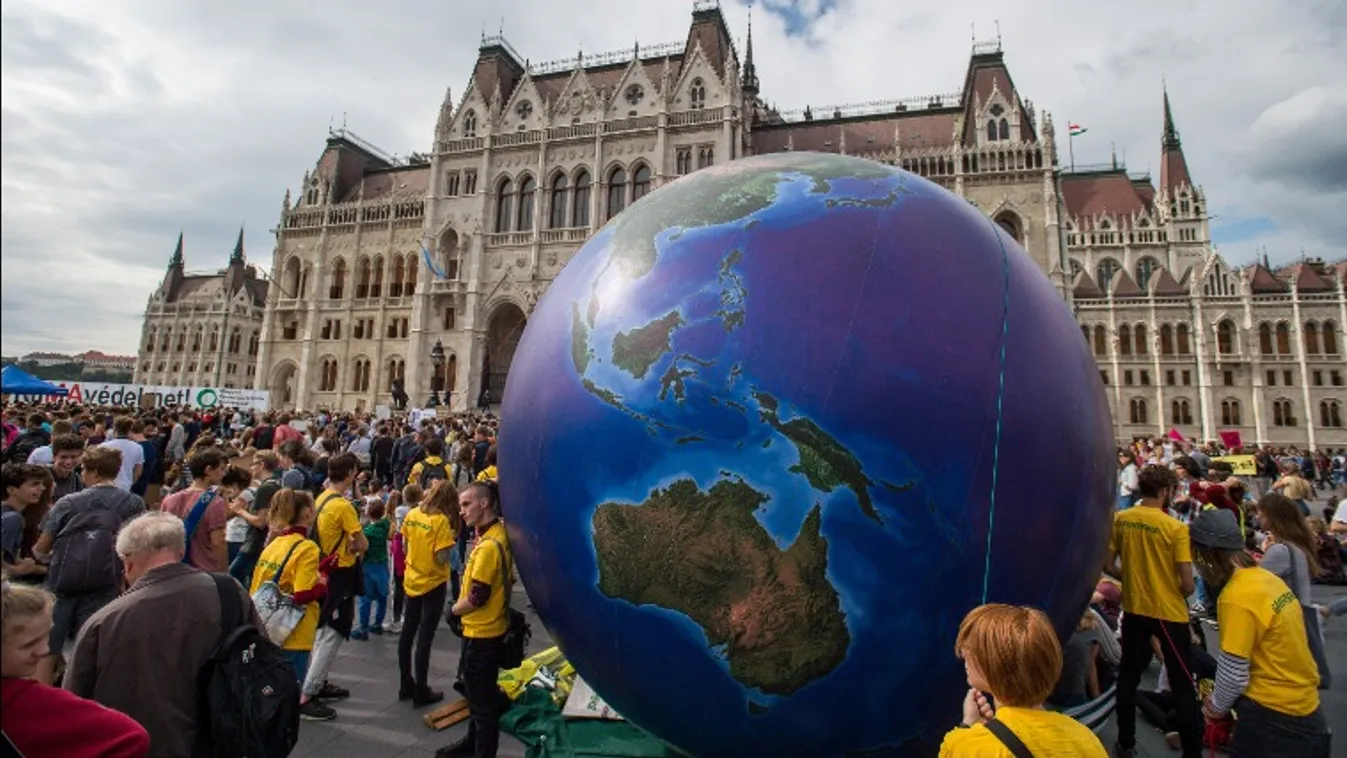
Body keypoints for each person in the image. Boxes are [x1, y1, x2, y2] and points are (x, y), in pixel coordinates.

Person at [64, 512, 264, 758]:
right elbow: (261, 654)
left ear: (127, 562)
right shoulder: (229, 591)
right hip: (221, 738)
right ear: (181, 551)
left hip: (139, 746)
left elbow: (74, 701)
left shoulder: (105, 621)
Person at [1188, 508, 1330, 756]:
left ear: (1207, 555)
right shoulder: (1266, 579)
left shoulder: (1236, 596)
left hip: (1271, 716)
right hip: (1306, 708)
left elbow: (1233, 672)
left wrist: (1215, 707)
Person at [1104, 464, 1201, 758]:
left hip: (1134, 610)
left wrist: (1132, 581)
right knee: (1183, 683)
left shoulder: (1121, 520)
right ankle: (1193, 752)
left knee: (1128, 677)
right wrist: (1172, 589)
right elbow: (1187, 584)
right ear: (1165, 491)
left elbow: (1108, 566)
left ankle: (1126, 742)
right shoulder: (1175, 528)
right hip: (1169, 613)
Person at [32, 447, 146, 686]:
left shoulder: (69, 502)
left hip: (61, 581)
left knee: (48, 644)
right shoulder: (133, 503)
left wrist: (46, 561)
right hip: (105, 580)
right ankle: (78, 696)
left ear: (92, 471)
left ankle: (42, 696)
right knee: (89, 644)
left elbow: (42, 546)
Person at [1, 580, 150, 757]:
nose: (45, 650)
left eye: (46, 637)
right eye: (29, 644)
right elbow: (131, 737)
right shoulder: (28, 702)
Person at [937, 603, 1106, 757]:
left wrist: (967, 725)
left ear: (995, 666)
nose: (964, 653)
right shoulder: (1086, 738)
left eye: (974, 650)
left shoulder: (966, 747)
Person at [438, 481, 511, 758]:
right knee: (478, 697)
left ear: (484, 503)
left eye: (467, 504)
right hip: (487, 630)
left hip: (482, 635)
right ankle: (471, 743)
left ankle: (481, 751)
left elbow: (477, 597)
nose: (462, 511)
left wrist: (453, 610)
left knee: (482, 706)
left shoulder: (488, 547)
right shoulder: (496, 535)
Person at [250, 489, 332, 721]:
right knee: (288, 689)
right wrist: (323, 583)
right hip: (294, 629)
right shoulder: (306, 548)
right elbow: (303, 594)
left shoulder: (275, 544)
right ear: (306, 513)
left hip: (268, 624)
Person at [304, 452, 367, 712]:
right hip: (340, 574)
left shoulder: (322, 498)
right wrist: (354, 546)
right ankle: (308, 692)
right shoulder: (343, 506)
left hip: (324, 570)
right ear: (351, 473)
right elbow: (362, 543)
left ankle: (318, 680)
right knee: (334, 632)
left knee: (323, 629)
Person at [399, 480, 457, 706]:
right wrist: (450, 544)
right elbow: (442, 558)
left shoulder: (413, 514)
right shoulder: (441, 521)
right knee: (425, 636)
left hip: (412, 578)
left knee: (407, 633)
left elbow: (404, 545)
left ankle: (406, 683)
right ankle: (422, 689)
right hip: (433, 582)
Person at [158, 448, 231, 572]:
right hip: (202, 570)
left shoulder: (169, 499)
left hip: (172, 569)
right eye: (221, 469)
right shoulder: (215, 502)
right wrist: (224, 572)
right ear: (208, 470)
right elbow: (218, 542)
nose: (224, 474)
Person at [229, 450, 282, 585]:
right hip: (263, 544)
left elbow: (260, 522)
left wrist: (240, 511)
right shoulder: (277, 484)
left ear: (262, 465)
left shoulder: (265, 488)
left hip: (254, 544)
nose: (251, 468)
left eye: (254, 464)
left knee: (232, 578)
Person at [1, 463, 49, 580]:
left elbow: (11, 557)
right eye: (34, 484)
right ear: (12, 490)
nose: (42, 488)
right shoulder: (13, 519)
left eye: (42, 483)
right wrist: (18, 570)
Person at [353, 498, 391, 641]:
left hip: (368, 567)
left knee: (365, 599)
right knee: (382, 597)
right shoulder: (385, 524)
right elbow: (389, 513)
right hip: (382, 565)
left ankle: (363, 628)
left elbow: (362, 552)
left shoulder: (366, 532)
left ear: (368, 513)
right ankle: (377, 624)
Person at [96, 417, 144, 492]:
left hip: (103, 486)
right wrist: (130, 482)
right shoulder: (138, 448)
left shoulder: (102, 446)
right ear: (130, 430)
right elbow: (138, 472)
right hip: (125, 486)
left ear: (115, 429)